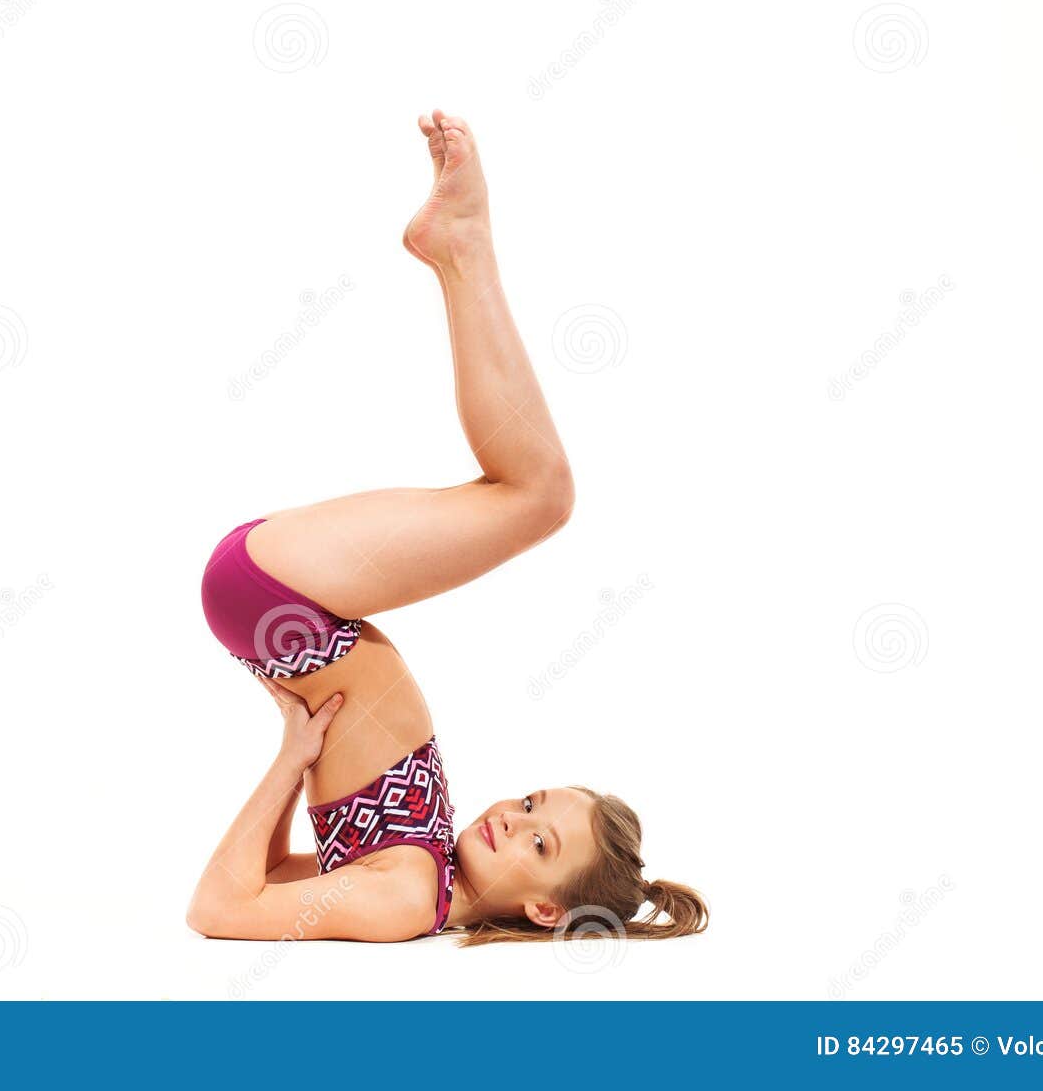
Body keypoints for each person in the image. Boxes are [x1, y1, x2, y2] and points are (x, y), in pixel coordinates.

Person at [187, 111, 708, 945]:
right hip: (290, 608)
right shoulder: (418, 868)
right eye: (534, 803)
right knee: (534, 494)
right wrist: (295, 741)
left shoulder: (404, 898)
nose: (514, 816)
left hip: (281, 599)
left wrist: (294, 753)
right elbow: (270, 874)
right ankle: (458, 245)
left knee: (540, 495)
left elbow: (219, 907)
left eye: (540, 842)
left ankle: (462, 245)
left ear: (544, 908)